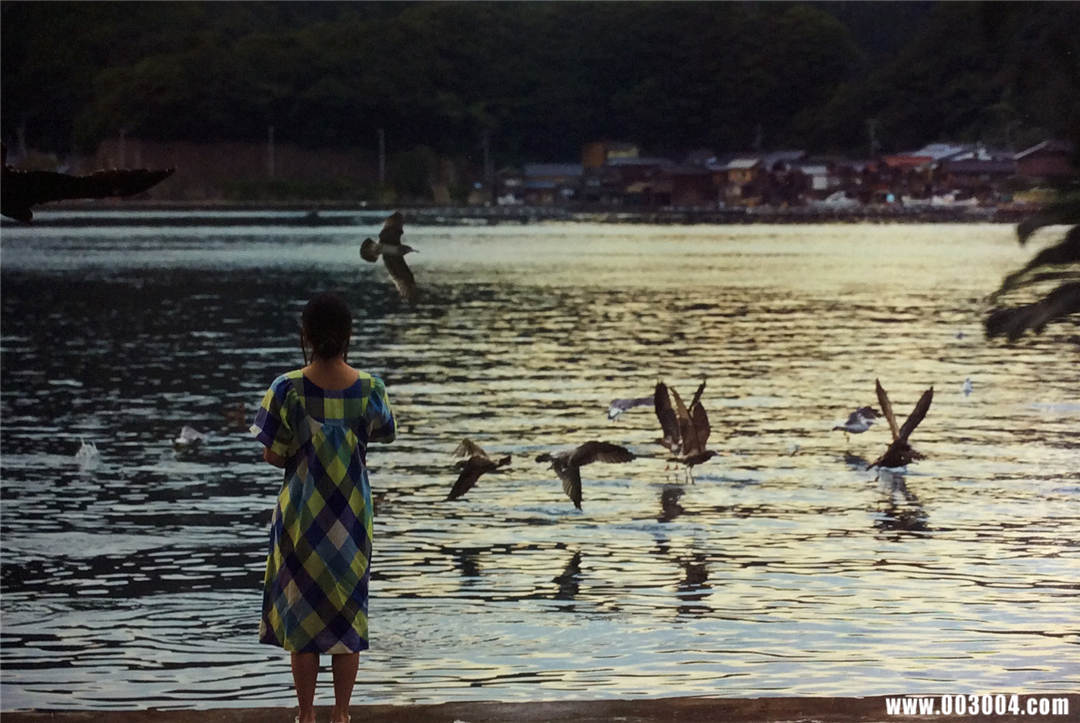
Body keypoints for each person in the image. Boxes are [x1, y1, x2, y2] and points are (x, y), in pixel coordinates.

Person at [250, 292, 396, 723]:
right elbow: (382, 434)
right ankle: (343, 714)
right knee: (347, 619)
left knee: (303, 621)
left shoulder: (286, 388)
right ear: (349, 335)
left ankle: (307, 714)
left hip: (301, 520)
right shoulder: (371, 389)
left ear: (306, 336)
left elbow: (273, 454)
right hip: (350, 520)